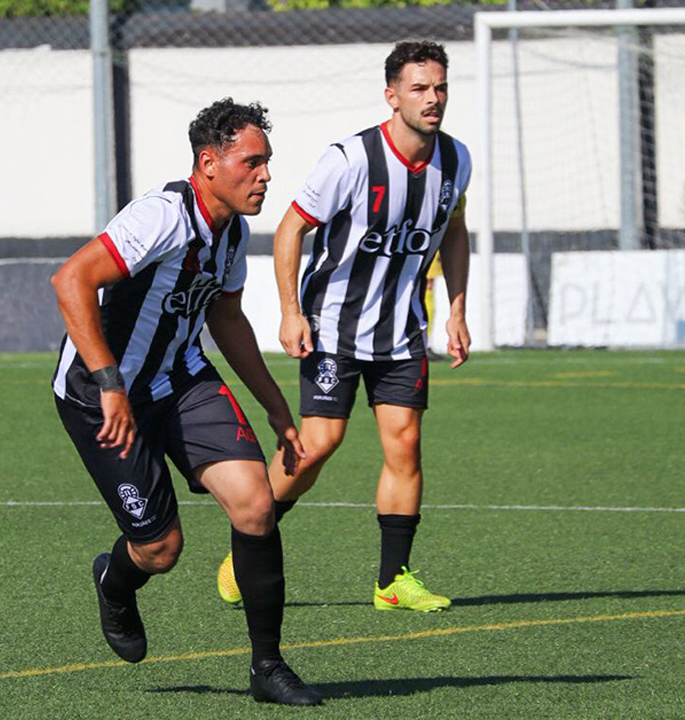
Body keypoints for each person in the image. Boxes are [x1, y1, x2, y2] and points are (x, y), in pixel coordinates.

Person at [51, 98, 322, 706]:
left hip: (181, 380)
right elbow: (71, 280)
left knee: (256, 504)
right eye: (252, 162)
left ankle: (267, 668)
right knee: (161, 549)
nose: (266, 175)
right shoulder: (161, 217)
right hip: (101, 399)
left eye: (267, 162)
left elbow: (226, 317)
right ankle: (116, 580)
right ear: (209, 163)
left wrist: (277, 408)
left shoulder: (233, 231)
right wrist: (111, 385)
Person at [216, 40, 472, 613]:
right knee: (317, 446)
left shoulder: (456, 161)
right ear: (391, 95)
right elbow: (290, 229)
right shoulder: (351, 160)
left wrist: (456, 309)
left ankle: (392, 581)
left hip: (401, 331)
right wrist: (288, 309)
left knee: (405, 446)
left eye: (440, 88)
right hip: (332, 328)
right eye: (419, 89)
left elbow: (454, 229)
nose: (433, 100)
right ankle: (246, 544)